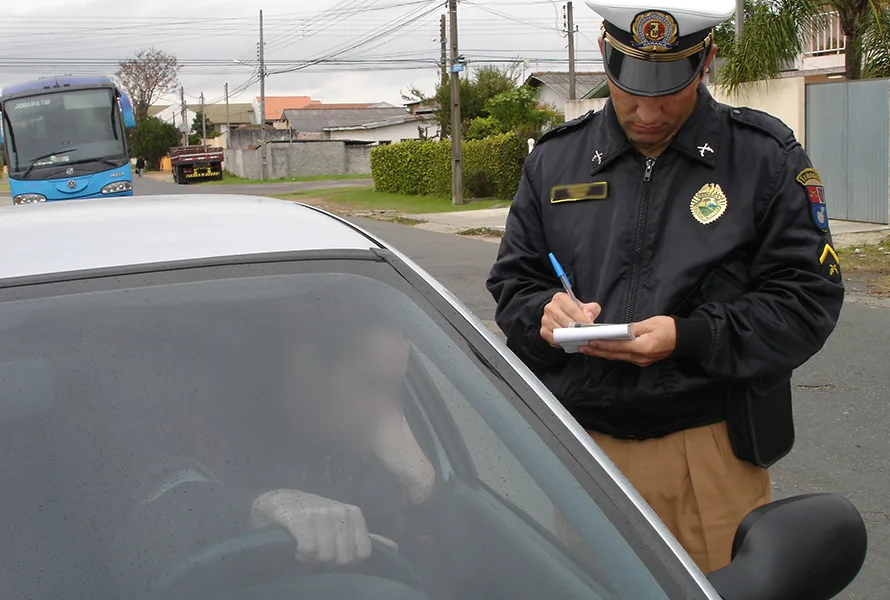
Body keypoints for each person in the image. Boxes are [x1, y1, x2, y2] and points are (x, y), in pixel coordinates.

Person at [486, 0, 844, 575]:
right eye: (630, 88)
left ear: (706, 62)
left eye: (667, 89)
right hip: (586, 452)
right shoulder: (555, 162)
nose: (647, 110)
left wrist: (692, 337)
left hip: (708, 449)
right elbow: (515, 282)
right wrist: (543, 315)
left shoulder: (763, 158)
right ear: (604, 56)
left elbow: (807, 298)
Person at [112, 291, 437, 597]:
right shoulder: (208, 425)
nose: (388, 410)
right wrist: (259, 507)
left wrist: (422, 484)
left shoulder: (368, 453)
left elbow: (428, 578)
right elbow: (164, 507)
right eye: (371, 385)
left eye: (394, 387)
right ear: (306, 368)